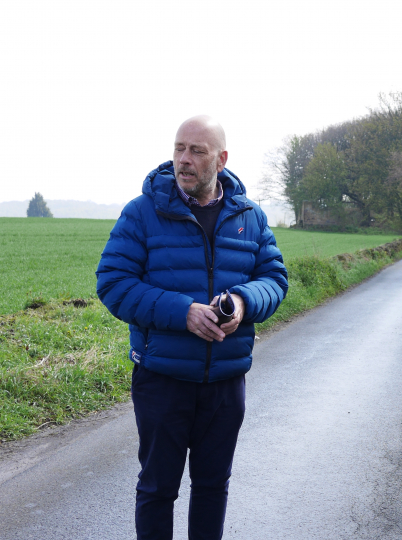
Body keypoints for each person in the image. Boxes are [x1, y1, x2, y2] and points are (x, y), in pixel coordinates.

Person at [96, 115, 288, 540]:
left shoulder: (249, 217)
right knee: (157, 488)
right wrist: (183, 311)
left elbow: (274, 280)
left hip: (225, 380)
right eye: (179, 148)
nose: (184, 160)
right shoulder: (143, 212)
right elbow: (113, 283)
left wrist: (242, 300)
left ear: (221, 159)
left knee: (212, 487)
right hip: (162, 379)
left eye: (196, 151)